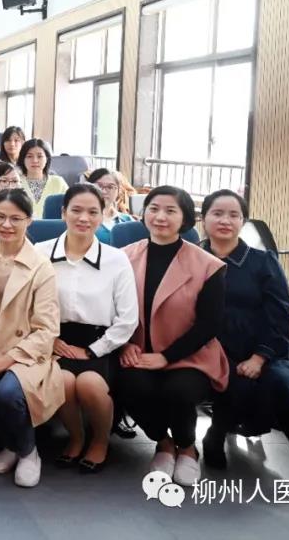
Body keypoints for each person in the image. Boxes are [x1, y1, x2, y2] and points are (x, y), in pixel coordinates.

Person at [199, 190, 289, 501]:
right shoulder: (191, 259)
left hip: (265, 348)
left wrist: (260, 356)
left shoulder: (262, 261)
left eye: (234, 215)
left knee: (284, 383)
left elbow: (279, 315)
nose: (225, 220)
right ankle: (215, 434)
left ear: (243, 221)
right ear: (204, 218)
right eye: (217, 213)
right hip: (210, 349)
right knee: (233, 382)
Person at [116, 186, 229, 487]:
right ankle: (163, 443)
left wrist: (166, 357)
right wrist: (125, 344)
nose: (160, 217)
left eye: (170, 211)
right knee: (130, 384)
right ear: (143, 213)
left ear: (185, 218)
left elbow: (210, 324)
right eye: (153, 209)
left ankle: (188, 446)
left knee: (179, 391)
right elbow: (111, 310)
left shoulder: (208, 265)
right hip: (138, 351)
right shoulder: (123, 258)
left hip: (190, 355)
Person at [35, 184, 138, 473]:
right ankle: (76, 437)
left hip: (101, 342)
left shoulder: (116, 259)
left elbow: (128, 319)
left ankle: (100, 441)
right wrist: (50, 339)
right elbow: (28, 306)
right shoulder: (40, 253)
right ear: (63, 212)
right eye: (76, 210)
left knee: (90, 384)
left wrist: (93, 350)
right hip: (55, 339)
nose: (84, 218)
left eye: (93, 212)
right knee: (63, 381)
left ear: (103, 215)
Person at [0, 189, 63, 488]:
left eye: (16, 219)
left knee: (7, 393)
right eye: (0, 217)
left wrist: (7, 359)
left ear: (29, 221)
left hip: (27, 350)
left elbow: (46, 329)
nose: (6, 225)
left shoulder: (41, 266)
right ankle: (13, 443)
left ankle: (28, 451)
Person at [18, 138, 68, 218]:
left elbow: (69, 207)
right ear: (22, 159)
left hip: (52, 225)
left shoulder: (58, 182)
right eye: (29, 156)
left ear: (47, 159)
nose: (35, 160)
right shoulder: (15, 182)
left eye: (40, 156)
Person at [87, 168, 136, 243]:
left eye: (110, 187)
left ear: (118, 191)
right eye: (99, 186)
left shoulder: (128, 220)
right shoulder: (81, 220)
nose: (103, 191)